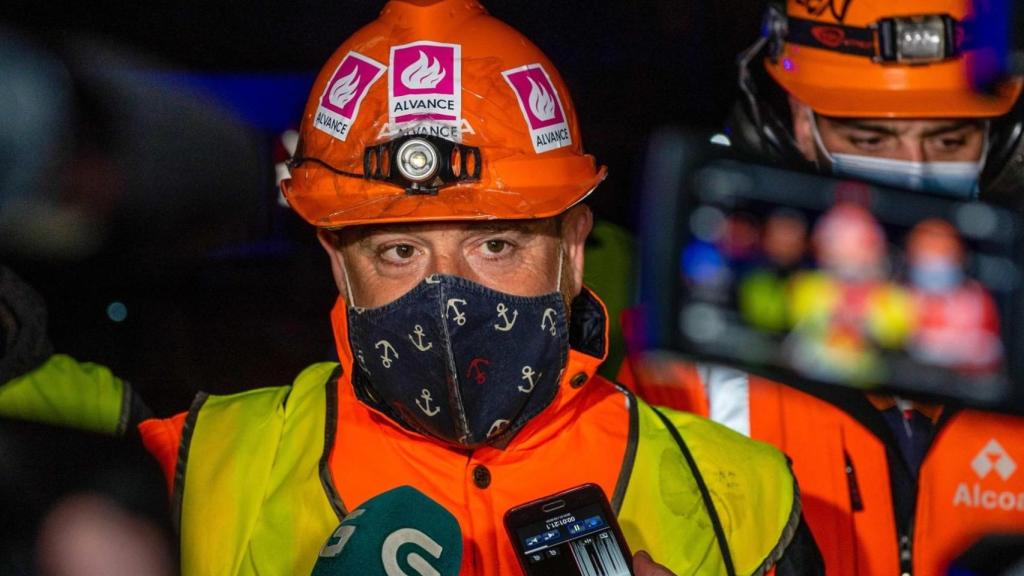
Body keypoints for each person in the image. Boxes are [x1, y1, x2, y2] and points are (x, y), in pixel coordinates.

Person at [2, 1, 824, 574]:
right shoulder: (191, 470)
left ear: (574, 247)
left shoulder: (743, 499)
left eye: (496, 243)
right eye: (398, 251)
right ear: (337, 262)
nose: (448, 296)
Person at [622, 1, 1024, 575]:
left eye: (949, 141)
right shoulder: (685, 367)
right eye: (872, 138)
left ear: (999, 143)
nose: (915, 173)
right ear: (799, 124)